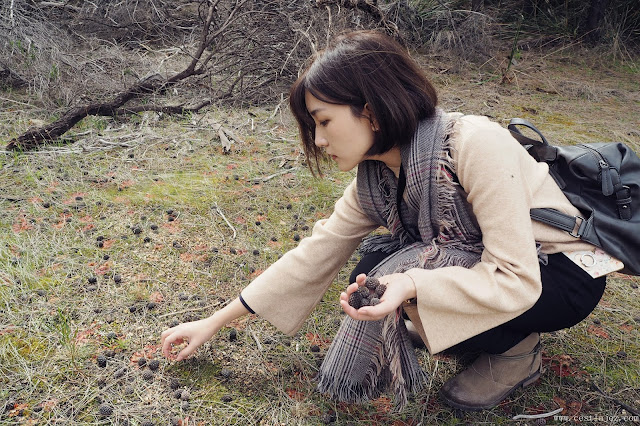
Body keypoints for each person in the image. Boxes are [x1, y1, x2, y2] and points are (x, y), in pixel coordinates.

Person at [161, 30, 607, 411]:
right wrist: (214, 321)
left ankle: (515, 352)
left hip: (559, 272)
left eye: (324, 121)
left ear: (371, 110)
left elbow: (516, 278)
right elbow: (317, 251)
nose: (317, 140)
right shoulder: (376, 175)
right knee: (370, 272)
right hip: (496, 266)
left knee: (402, 278)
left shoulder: (474, 145)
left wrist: (415, 285)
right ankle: (456, 328)